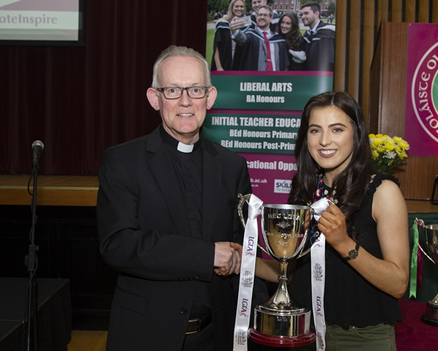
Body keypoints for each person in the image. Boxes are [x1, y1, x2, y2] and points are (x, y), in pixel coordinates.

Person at [97, 45, 267, 350]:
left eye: (196, 90)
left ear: (210, 97)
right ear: (155, 98)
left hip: (217, 337)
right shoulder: (122, 161)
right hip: (146, 336)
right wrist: (207, 255)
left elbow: (243, 248)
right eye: (173, 90)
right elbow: (118, 245)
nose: (185, 101)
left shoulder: (232, 166)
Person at [248, 91, 410, 350]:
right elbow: (290, 273)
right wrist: (242, 260)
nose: (324, 141)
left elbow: (399, 283)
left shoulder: (382, 192)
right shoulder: (303, 190)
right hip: (303, 333)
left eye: (336, 129)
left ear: (356, 134)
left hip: (358, 338)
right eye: (315, 130)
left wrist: (343, 242)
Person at [232, 5, 289, 71]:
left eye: (265, 15)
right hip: (255, 79)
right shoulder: (250, 35)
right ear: (256, 18)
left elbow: (284, 63)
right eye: (259, 15)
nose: (262, 17)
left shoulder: (278, 39)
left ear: (271, 18)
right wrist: (235, 31)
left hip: (275, 78)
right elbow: (242, 39)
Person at [211, 0, 247, 71]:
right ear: (232, 7)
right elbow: (216, 47)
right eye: (237, 6)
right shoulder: (222, 24)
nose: (239, 9)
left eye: (241, 6)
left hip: (240, 65)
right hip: (224, 62)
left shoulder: (247, 25)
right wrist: (219, 67)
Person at [300, 2, 336, 71]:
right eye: (301, 14)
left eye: (306, 13)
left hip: (324, 76)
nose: (303, 17)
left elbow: (329, 61)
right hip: (311, 75)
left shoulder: (326, 32)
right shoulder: (307, 34)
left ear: (316, 14)